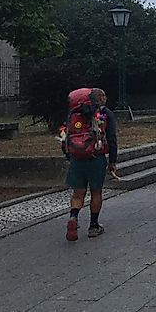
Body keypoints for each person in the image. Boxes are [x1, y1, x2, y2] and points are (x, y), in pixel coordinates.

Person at [64, 88, 117, 241]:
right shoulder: (105, 114)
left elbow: (65, 135)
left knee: (78, 193)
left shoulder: (74, 113)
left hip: (76, 158)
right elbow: (112, 138)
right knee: (96, 192)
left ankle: (73, 217)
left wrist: (69, 155)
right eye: (104, 95)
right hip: (96, 157)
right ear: (100, 98)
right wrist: (112, 161)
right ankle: (93, 226)